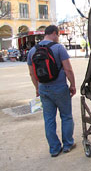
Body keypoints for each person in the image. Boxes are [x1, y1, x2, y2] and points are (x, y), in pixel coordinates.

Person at [27, 25, 76, 157]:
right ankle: (67, 144)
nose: (58, 38)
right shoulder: (58, 48)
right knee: (66, 116)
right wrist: (73, 84)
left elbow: (32, 74)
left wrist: (37, 88)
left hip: (43, 88)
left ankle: (54, 149)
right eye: (58, 35)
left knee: (49, 119)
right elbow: (68, 69)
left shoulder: (32, 51)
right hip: (60, 87)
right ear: (54, 33)